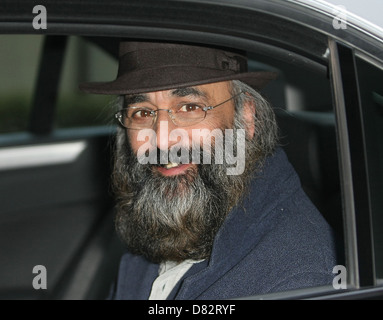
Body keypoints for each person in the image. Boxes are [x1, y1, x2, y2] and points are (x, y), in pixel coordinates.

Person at [79, 40, 338, 300]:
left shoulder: (296, 280)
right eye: (142, 113)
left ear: (246, 116)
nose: (162, 139)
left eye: (190, 108)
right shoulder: (156, 222)